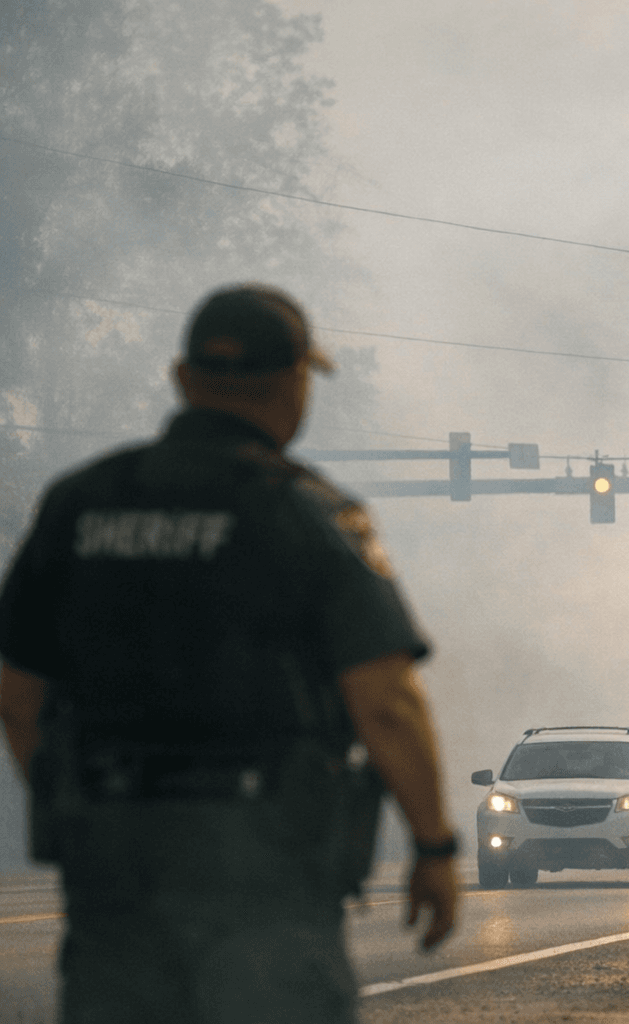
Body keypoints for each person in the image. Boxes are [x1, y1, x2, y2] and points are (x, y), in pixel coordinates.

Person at [0, 284, 459, 1023]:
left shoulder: (79, 503)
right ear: (295, 383)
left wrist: (86, 808)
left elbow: (18, 700)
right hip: (265, 873)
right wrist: (435, 847)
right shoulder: (302, 512)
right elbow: (386, 702)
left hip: (113, 872)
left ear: (182, 380)